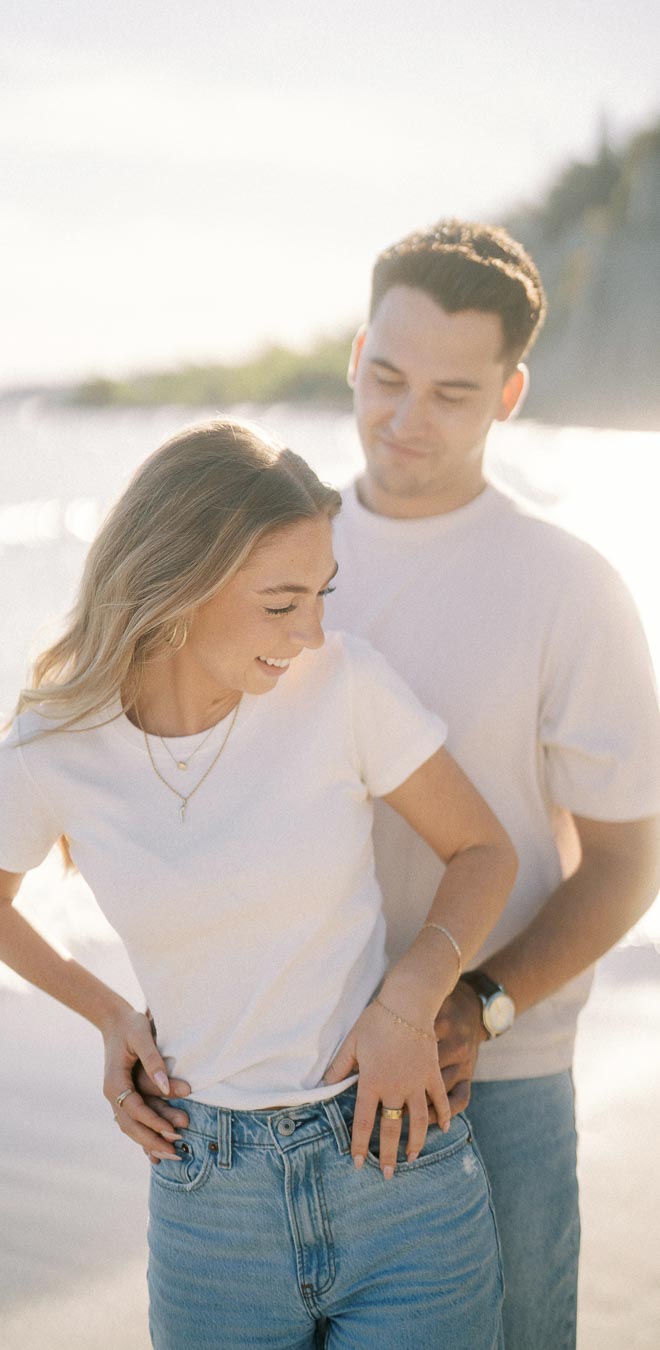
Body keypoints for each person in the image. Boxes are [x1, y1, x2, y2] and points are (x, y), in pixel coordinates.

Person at [0, 418, 518, 1348]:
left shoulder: (344, 685)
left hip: (393, 1158)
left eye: (321, 595)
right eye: (281, 602)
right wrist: (108, 1015)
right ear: (177, 587)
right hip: (209, 1200)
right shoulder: (55, 749)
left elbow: (485, 851)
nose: (314, 631)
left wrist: (409, 1001)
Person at [319, 220, 660, 1349]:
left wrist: (484, 1001)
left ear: (510, 394)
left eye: (454, 395)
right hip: (288, 1066)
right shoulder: (269, 553)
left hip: (495, 1084)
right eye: (388, 378)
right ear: (358, 351)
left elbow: (626, 862)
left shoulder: (570, 586)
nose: (408, 420)